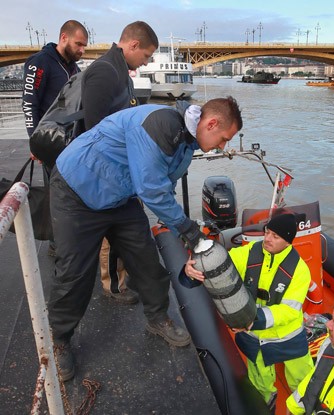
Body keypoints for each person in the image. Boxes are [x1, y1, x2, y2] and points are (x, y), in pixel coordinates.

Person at [48, 96, 243, 381]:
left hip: (120, 194)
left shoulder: (188, 143)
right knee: (73, 272)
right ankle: (60, 339)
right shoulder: (160, 124)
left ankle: (157, 317)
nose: (223, 147)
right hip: (77, 189)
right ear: (211, 123)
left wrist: (180, 231)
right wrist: (189, 230)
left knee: (147, 260)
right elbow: (151, 189)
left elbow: (166, 182)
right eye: (224, 139)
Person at [184, 213, 314, 412]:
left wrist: (254, 320)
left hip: (287, 336)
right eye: (267, 232)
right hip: (254, 336)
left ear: (288, 242)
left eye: (276, 236)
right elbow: (218, 266)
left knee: (302, 379)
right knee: (261, 381)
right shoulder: (249, 253)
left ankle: (306, 409)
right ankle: (266, 407)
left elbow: (289, 310)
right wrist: (191, 271)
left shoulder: (300, 271)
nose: (268, 239)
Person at [80, 21, 158, 304]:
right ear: (134, 45)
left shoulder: (119, 70)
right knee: (110, 233)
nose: (146, 62)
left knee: (121, 228)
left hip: (117, 164)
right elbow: (94, 130)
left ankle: (120, 277)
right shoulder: (105, 72)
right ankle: (114, 286)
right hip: (104, 167)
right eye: (147, 56)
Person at [21, 20, 88, 255]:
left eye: (84, 46)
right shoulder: (40, 63)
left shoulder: (73, 68)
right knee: (55, 192)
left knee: (70, 191)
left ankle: (67, 237)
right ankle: (56, 243)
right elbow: (30, 104)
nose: (82, 50)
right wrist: (34, 141)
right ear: (63, 38)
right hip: (49, 141)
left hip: (70, 142)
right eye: (78, 44)